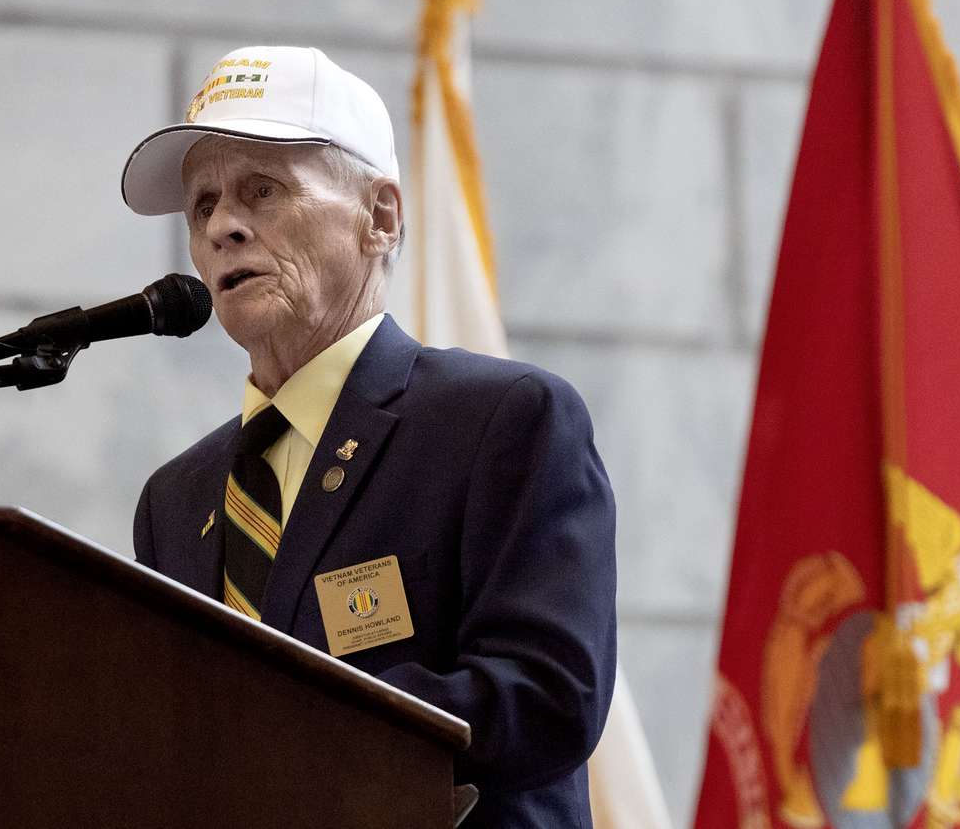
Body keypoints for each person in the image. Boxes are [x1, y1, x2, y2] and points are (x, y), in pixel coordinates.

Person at [125, 45, 616, 828]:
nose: (223, 227)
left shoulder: (502, 422)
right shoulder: (177, 499)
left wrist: (286, 724)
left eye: (262, 190)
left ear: (380, 217)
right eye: (203, 204)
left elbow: (548, 695)